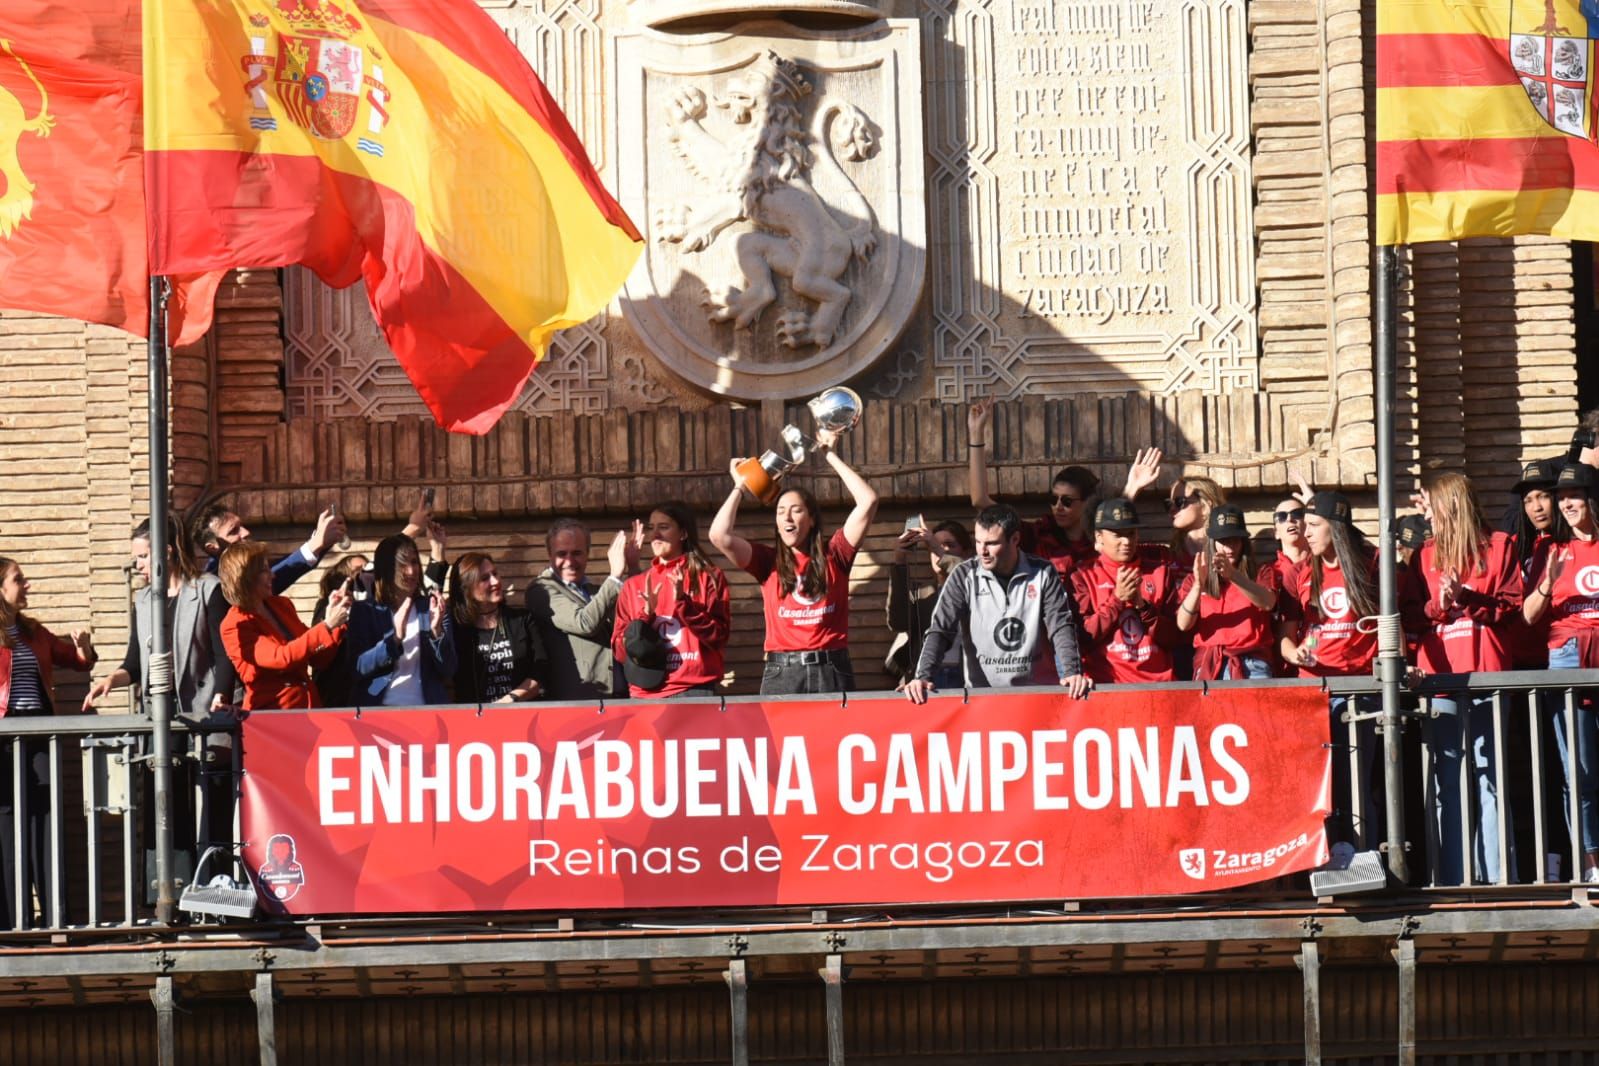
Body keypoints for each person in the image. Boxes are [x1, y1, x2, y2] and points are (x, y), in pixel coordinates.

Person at [82, 517, 239, 868]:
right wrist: (111, 680)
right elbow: (135, 663)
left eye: (141, 557)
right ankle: (169, 888)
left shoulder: (207, 590)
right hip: (161, 719)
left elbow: (223, 653)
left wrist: (222, 694)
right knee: (164, 808)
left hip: (203, 715)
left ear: (166, 553)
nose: (136, 566)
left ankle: (213, 885)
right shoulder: (144, 601)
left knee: (210, 806)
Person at [1401, 473, 1521, 886]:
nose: (1424, 511)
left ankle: (1497, 880)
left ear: (1451, 504)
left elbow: (1510, 608)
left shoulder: (1500, 546)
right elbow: (1412, 616)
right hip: (1440, 681)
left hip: (1487, 676)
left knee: (1490, 780)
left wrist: (1465, 598)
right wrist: (1439, 605)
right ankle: (1451, 878)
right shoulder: (1422, 556)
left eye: (1429, 503)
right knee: (1446, 784)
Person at [710, 425, 879, 694]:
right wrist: (740, 486)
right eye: (780, 512)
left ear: (811, 520)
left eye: (796, 511)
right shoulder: (767, 561)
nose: (786, 518)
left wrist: (829, 454)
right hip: (783, 672)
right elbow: (719, 535)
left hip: (831, 668)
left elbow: (868, 501)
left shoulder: (836, 553)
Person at [900, 505, 1091, 703]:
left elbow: (1060, 625)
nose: (982, 551)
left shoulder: (1043, 572)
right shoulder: (964, 575)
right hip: (984, 700)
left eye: (991, 543)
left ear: (1015, 539)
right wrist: (922, 677)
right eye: (978, 542)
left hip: (1039, 697)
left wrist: (1072, 672)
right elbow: (940, 630)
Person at [1276, 491, 1381, 848]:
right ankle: (1324, 861)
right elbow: (1285, 642)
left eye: (1314, 525)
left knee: (1356, 783)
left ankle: (1364, 858)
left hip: (1360, 691)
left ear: (1336, 529)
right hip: (1314, 691)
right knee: (1320, 785)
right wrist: (1297, 655)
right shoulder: (1299, 573)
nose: (1305, 533)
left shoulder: (1373, 564)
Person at [0, 557, 95, 929]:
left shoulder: (34, 633)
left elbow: (76, 661)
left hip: (39, 732)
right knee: (6, 823)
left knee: (46, 819)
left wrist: (85, 648)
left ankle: (54, 918)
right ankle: (10, 921)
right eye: (18, 580)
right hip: (3, 735)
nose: (27, 586)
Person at [1523, 463, 1599, 883]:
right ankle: (1592, 865)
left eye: (1574, 495)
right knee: (1579, 772)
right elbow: (1529, 615)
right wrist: (1548, 584)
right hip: (1568, 657)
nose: (1566, 503)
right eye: (1562, 496)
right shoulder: (1551, 550)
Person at [965, 399, 1140, 579]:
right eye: (1053, 499)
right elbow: (980, 500)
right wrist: (976, 434)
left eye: (1067, 501)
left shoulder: (1101, 540)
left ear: (1087, 502)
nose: (1058, 507)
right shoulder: (1038, 535)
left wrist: (1131, 489)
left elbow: (1118, 526)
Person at [612, 502, 730, 699]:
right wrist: (644, 619)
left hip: (694, 690)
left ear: (683, 533)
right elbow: (620, 652)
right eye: (652, 527)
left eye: (664, 527)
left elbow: (719, 637)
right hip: (645, 694)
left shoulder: (709, 577)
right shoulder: (634, 585)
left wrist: (684, 603)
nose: (655, 535)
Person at [218, 541, 349, 710]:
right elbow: (281, 658)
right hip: (272, 717)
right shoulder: (235, 625)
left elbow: (318, 658)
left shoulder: (281, 605)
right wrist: (327, 625)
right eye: (265, 570)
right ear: (247, 577)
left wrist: (333, 618)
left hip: (309, 708)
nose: (272, 575)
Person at [528, 518, 639, 700]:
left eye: (577, 553)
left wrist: (632, 568)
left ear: (588, 554)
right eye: (562, 554)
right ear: (549, 555)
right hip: (578, 704)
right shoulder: (541, 590)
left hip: (617, 699)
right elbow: (585, 623)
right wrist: (614, 576)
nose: (569, 561)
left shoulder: (593, 591)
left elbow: (632, 615)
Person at [1071, 498, 1180, 683]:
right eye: (1117, 534)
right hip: (1107, 689)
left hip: (1160, 687)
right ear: (1099, 537)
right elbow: (1082, 638)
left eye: (1131, 533)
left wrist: (1143, 607)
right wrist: (1117, 600)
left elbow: (1175, 638)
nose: (1127, 541)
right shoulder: (1082, 576)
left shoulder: (1160, 572)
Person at [343, 534, 456, 706]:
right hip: (377, 713)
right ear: (386, 568)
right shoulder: (365, 610)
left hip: (427, 712)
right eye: (402, 564)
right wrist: (394, 639)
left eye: (414, 562)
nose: (411, 571)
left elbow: (449, 669)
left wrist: (436, 632)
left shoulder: (431, 607)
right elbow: (357, 668)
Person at [1175, 505, 1279, 681]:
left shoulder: (1261, 572)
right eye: (1223, 541)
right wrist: (1199, 585)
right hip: (1210, 663)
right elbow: (1183, 624)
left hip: (1251, 663)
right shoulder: (1195, 578)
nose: (1230, 548)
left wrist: (1234, 576)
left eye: (1235, 540)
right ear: (1212, 543)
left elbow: (1268, 602)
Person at [885, 520, 973, 687]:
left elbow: (968, 577)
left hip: (967, 677)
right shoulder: (923, 593)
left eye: (949, 545)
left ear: (967, 552)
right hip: (928, 679)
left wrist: (937, 548)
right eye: (934, 546)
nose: (941, 550)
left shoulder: (977, 585)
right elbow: (897, 622)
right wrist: (899, 562)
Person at [450, 552, 546, 703]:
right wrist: (437, 550)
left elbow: (541, 672)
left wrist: (509, 700)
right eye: (484, 578)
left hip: (521, 715)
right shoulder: (456, 629)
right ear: (466, 588)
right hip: (475, 721)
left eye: (495, 573)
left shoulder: (523, 620)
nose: (495, 581)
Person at [192, 502, 347, 595]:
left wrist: (321, 541)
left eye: (242, 526)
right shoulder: (215, 586)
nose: (246, 533)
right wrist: (316, 544)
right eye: (234, 531)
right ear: (213, 548)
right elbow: (278, 574)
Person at [1166, 476, 1226, 573]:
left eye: (1179, 502)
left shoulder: (1228, 551)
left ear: (1205, 507)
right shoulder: (1166, 555)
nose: (1172, 509)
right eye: (1169, 504)